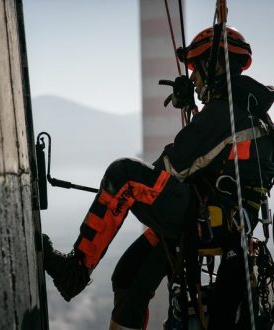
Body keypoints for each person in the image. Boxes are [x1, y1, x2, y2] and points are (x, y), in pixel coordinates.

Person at [43, 25, 274, 329]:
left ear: (215, 65)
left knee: (124, 174)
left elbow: (169, 168)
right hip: (213, 222)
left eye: (196, 68)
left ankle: (75, 270)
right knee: (129, 276)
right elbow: (214, 158)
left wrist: (129, 192)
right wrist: (193, 108)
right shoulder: (243, 110)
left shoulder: (224, 113)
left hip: (208, 223)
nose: (192, 77)